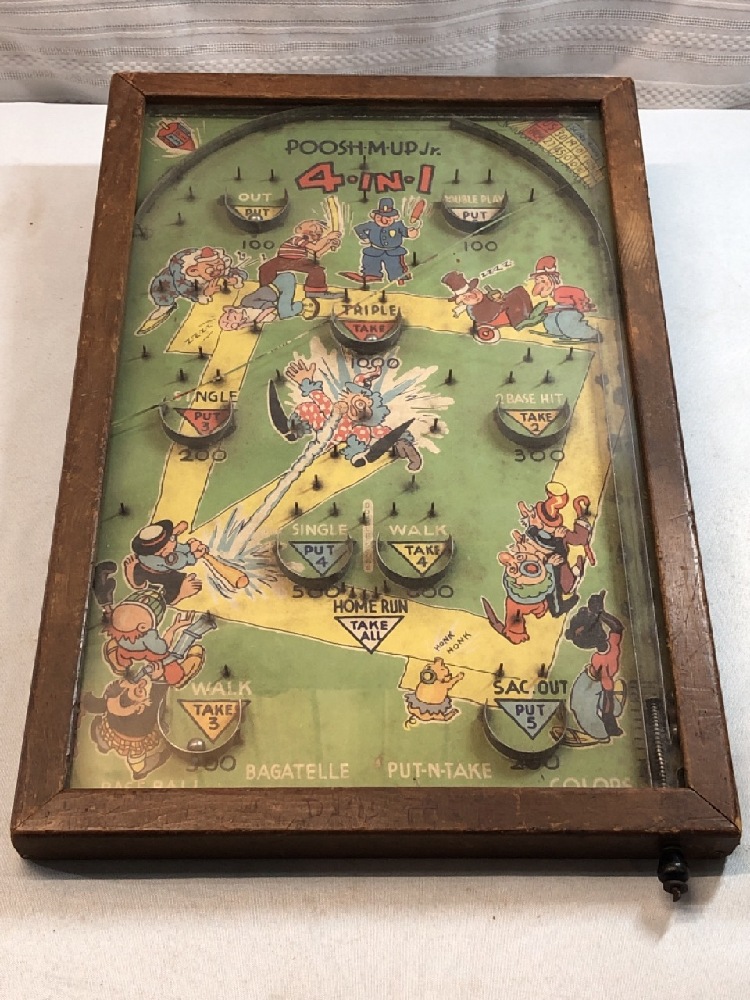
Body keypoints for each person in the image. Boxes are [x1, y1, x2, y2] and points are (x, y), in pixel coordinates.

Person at [258, 219, 340, 295]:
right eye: (311, 233)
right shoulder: (297, 239)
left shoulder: (305, 243)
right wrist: (328, 237)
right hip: (283, 260)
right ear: (299, 230)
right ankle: (266, 289)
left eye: (318, 234)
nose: (315, 237)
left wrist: (329, 245)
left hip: (299, 261)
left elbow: (317, 254)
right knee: (266, 268)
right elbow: (315, 248)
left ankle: (315, 291)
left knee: (317, 270)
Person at [529, 255, 600, 341]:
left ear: (552, 280)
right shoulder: (554, 294)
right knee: (550, 317)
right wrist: (552, 309)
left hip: (572, 310)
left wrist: (580, 305)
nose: (539, 285)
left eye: (543, 281)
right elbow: (561, 306)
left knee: (564, 319)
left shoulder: (560, 290)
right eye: (537, 281)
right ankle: (557, 332)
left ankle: (590, 334)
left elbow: (578, 292)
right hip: (563, 309)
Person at [350, 197, 420, 283]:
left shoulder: (398, 225)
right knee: (370, 263)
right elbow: (358, 228)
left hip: (393, 252)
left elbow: (406, 233)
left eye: (388, 217)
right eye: (379, 217)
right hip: (374, 250)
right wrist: (365, 238)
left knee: (395, 267)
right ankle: (372, 275)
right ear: (375, 216)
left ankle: (398, 277)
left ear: (394, 217)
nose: (383, 220)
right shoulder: (372, 225)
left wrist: (411, 233)